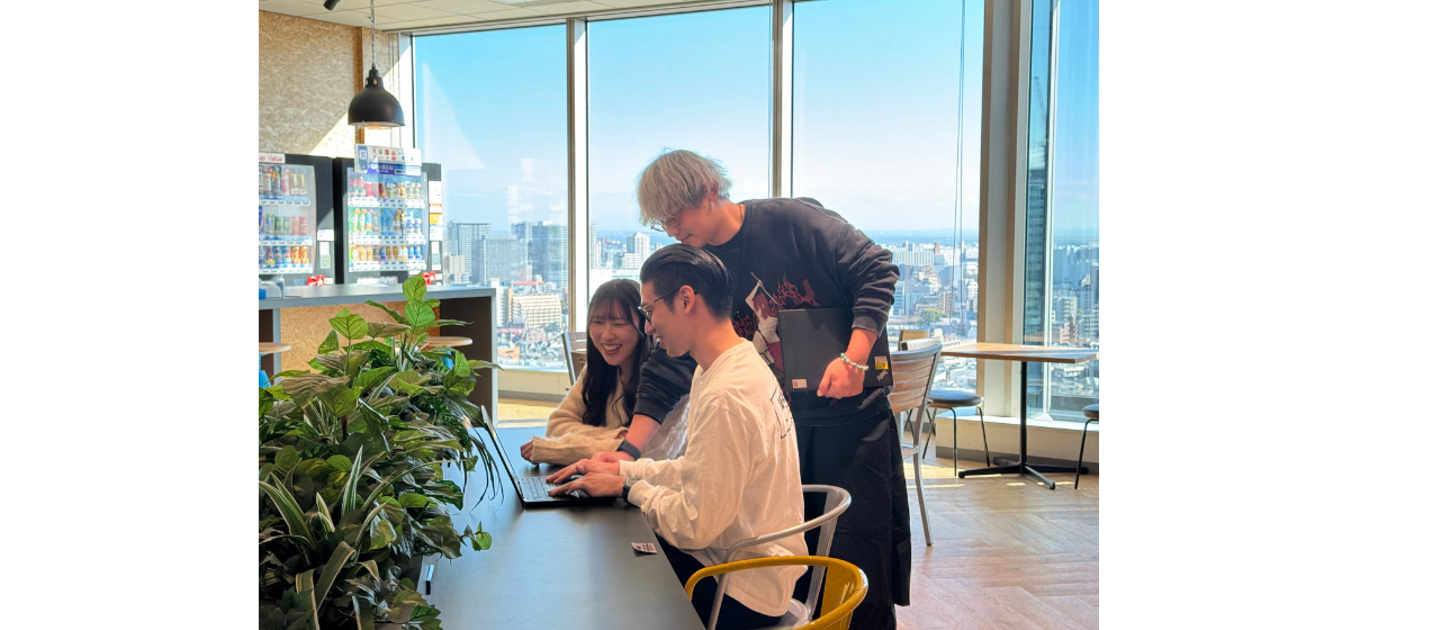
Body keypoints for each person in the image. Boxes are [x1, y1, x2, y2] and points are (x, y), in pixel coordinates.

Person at [591, 149, 907, 629]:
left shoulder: (792, 222)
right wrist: (627, 453)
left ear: (709, 191)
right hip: (784, 422)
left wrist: (853, 357)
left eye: (676, 215)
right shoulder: (697, 267)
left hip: (850, 419)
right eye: (662, 222)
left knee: (858, 555)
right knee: (791, 556)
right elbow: (668, 368)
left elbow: (877, 269)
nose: (672, 229)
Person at [546, 245, 806, 630]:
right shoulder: (728, 364)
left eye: (649, 311)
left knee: (604, 575)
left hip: (740, 588)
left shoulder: (726, 395)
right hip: (745, 562)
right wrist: (625, 470)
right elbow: (697, 469)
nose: (648, 327)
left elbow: (693, 525)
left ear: (686, 300)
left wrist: (627, 488)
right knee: (615, 550)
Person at [519, 279, 686, 466]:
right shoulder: (598, 370)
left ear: (645, 325)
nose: (606, 335)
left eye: (619, 324)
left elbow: (648, 454)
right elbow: (556, 426)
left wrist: (558, 449)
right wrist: (616, 436)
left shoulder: (668, 376)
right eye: (598, 322)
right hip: (606, 479)